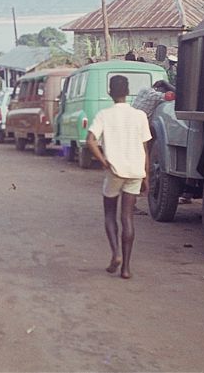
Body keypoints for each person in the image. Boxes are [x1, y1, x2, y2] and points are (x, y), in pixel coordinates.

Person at [86, 75, 151, 280]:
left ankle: (115, 254)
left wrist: (104, 161)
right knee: (128, 218)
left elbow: (90, 141)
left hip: (115, 171)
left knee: (109, 215)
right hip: (135, 171)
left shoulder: (104, 115)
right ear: (128, 91)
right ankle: (126, 269)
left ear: (109, 92)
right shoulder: (140, 115)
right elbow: (145, 148)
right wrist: (146, 177)